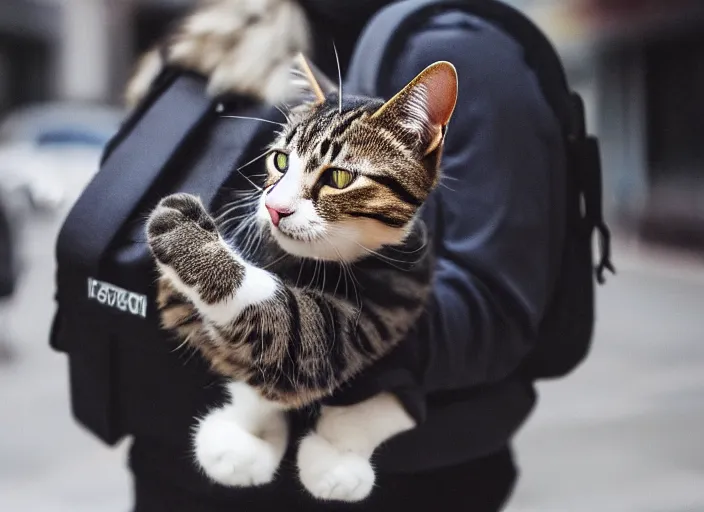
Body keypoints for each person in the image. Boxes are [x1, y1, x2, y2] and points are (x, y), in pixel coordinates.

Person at [116, 0, 567, 510]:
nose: (278, 202)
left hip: (396, 482)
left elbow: (494, 309)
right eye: (281, 163)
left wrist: (294, 338)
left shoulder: (460, 49)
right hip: (175, 462)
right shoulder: (216, 39)